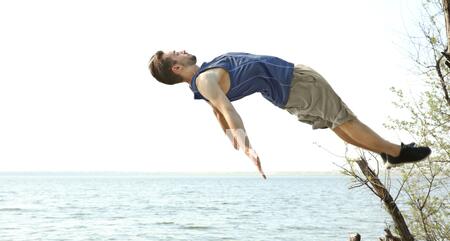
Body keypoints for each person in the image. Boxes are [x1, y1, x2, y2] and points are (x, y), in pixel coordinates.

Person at [148, 50, 431, 179]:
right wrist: (247, 148)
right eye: (177, 54)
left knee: (338, 125)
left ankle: (386, 153)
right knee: (346, 120)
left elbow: (218, 115)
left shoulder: (203, 82)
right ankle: (396, 152)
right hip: (296, 84)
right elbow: (227, 111)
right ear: (176, 68)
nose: (183, 51)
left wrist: (234, 140)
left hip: (289, 93)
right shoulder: (204, 80)